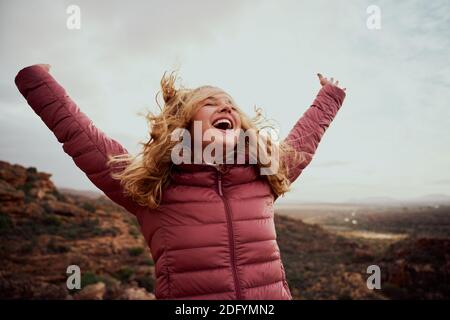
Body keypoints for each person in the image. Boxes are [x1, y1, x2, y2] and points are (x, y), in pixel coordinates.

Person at [15, 64, 346, 299]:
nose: (226, 108)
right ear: (185, 124)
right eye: (211, 104)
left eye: (231, 105)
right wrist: (38, 81)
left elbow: (304, 140)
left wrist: (330, 95)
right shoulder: (153, 188)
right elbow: (85, 141)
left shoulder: (263, 175)